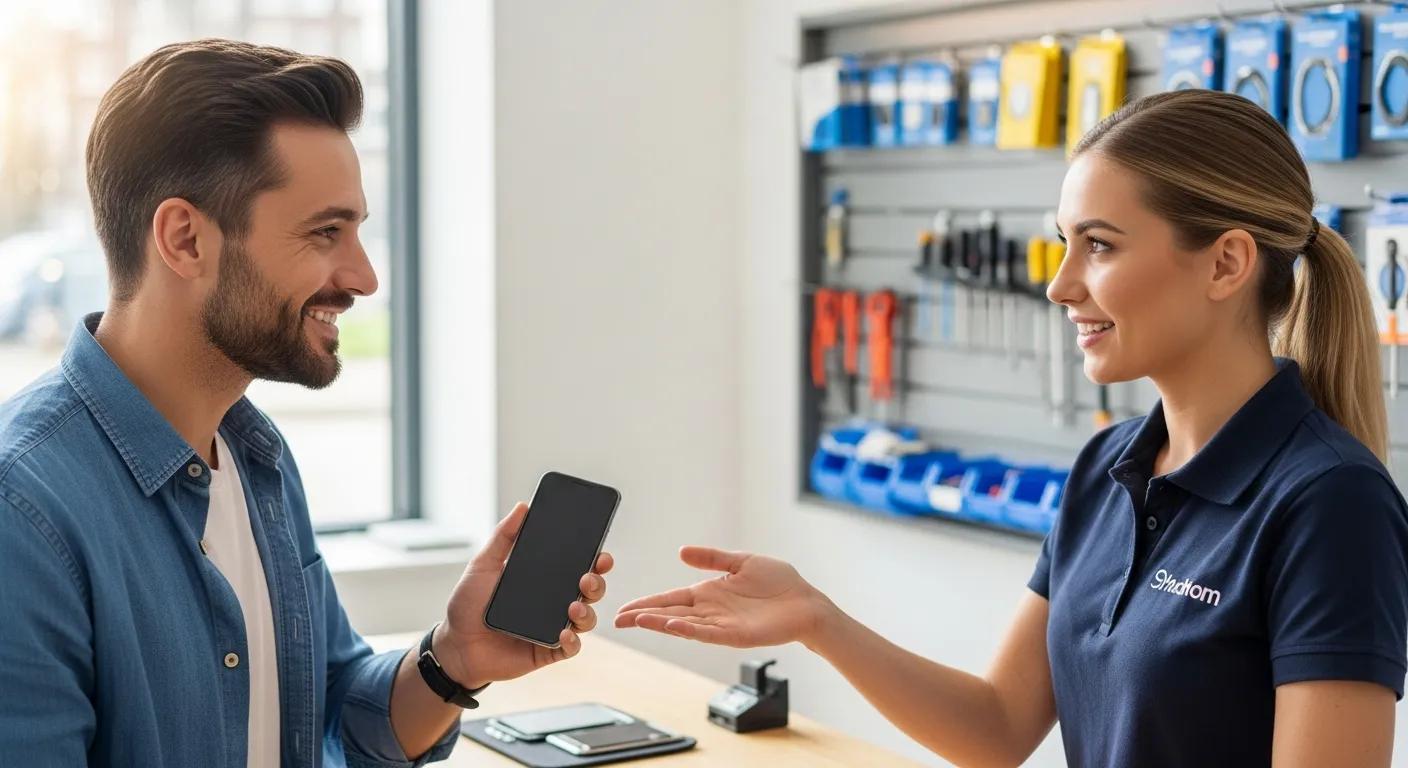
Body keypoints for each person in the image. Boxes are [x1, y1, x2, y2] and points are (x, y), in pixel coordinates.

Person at [618, 90, 1408, 767]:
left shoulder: (1331, 503)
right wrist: (817, 620)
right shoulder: (1109, 465)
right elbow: (996, 727)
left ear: (1226, 264)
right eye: (1066, 244)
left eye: (1098, 246)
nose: (1060, 285)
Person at [0, 39, 612, 767]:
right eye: (326, 232)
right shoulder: (23, 515)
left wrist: (455, 658)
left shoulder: (254, 457)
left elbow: (330, 715)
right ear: (185, 240)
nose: (364, 277)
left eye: (357, 231)